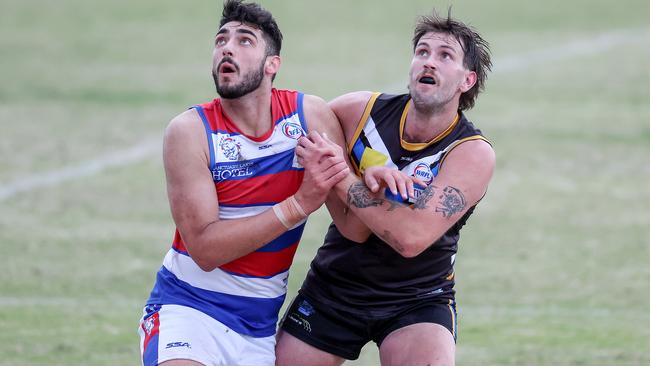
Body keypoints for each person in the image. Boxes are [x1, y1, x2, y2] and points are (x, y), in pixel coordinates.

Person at [276, 9, 495, 366]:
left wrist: (346, 174)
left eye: (445, 56)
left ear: (466, 81)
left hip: (417, 297)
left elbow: (410, 239)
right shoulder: (357, 111)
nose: (429, 62)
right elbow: (302, 138)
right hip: (336, 285)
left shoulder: (470, 153)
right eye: (422, 52)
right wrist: (367, 175)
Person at [137, 1, 350, 365]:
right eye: (221, 40)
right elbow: (205, 250)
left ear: (273, 65)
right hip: (188, 311)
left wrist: (370, 177)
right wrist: (299, 204)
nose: (227, 48)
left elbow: (352, 223)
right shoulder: (190, 131)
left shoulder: (308, 116)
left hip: (257, 330)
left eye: (245, 41)